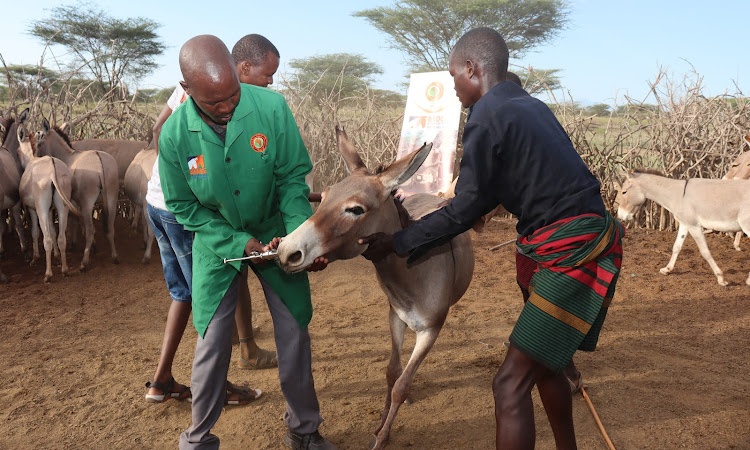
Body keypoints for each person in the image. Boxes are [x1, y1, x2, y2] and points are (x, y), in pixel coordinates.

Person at [359, 28, 624, 449]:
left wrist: (399, 242)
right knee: (548, 364)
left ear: (472, 68)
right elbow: (507, 187)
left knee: (507, 385)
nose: (453, 88)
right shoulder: (531, 106)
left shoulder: (485, 115)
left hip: (570, 249)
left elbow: (465, 209)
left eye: (453, 76)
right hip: (577, 235)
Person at [158, 34, 333, 449]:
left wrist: (297, 236)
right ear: (187, 90)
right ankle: (197, 439)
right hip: (217, 242)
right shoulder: (174, 137)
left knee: (293, 331)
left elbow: (292, 179)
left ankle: (304, 430)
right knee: (212, 341)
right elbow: (185, 208)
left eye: (232, 96)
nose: (228, 107)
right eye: (214, 103)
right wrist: (238, 242)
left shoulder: (271, 108)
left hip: (276, 229)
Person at [144, 33, 282, 407]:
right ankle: (217, 382)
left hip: (156, 203)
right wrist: (193, 174)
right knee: (217, 289)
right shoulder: (214, 90)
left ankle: (160, 379)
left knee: (185, 294)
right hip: (183, 211)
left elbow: (158, 129)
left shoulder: (201, 81)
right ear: (242, 70)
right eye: (267, 75)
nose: (270, 83)